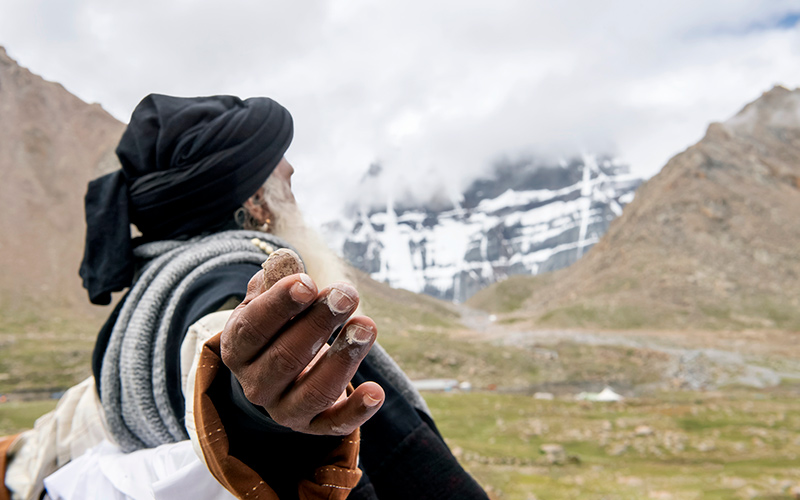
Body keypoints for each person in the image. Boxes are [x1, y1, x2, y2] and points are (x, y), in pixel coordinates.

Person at [0, 94, 488, 500]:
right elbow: (222, 341)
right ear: (257, 200)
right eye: (286, 180)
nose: (296, 194)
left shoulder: (143, 299)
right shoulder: (238, 277)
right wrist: (255, 405)